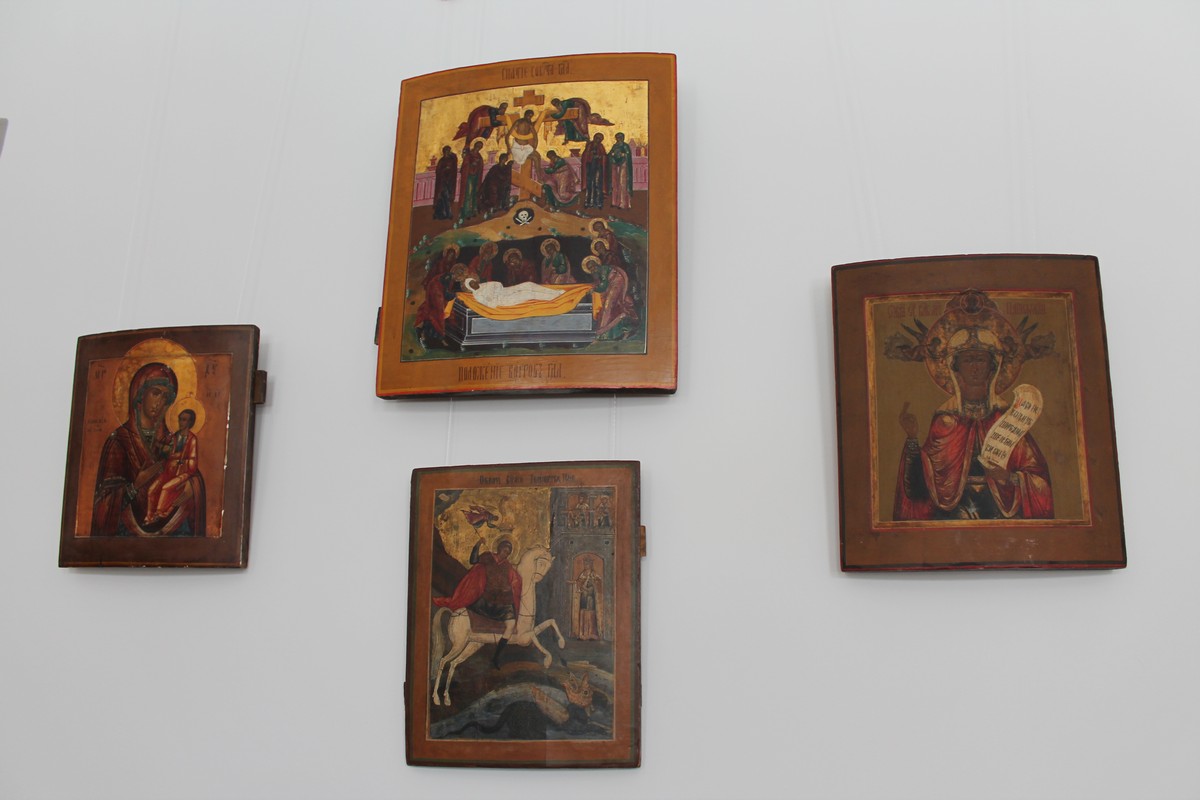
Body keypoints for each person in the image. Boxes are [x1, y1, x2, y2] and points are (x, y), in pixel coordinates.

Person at [893, 290, 1053, 520]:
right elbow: (918, 489)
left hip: (1000, 515)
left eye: (981, 359)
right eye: (968, 360)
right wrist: (911, 439)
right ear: (956, 367)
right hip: (952, 518)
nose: (975, 367)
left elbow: (1039, 479)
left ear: (992, 367)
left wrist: (1009, 478)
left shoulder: (1007, 419)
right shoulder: (946, 421)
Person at [92, 362, 204, 537]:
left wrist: (192, 487)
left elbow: (189, 469)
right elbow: (103, 506)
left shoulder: (171, 439)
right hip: (127, 537)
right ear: (140, 394)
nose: (160, 402)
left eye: (165, 397)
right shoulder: (119, 441)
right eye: (155, 393)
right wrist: (135, 485)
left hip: (173, 532)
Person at [433, 538, 522, 668]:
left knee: (511, 625)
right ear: (499, 548)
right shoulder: (488, 557)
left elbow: (514, 580)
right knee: (467, 609)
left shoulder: (507, 566)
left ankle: (496, 657)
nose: (506, 554)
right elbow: (473, 561)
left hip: (504, 603)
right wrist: (478, 544)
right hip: (487, 600)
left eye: (508, 552)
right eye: (505, 550)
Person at [144, 408, 204, 528]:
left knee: (166, 488)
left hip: (183, 473)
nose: (181, 422)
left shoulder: (192, 439)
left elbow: (193, 463)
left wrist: (180, 460)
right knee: (152, 489)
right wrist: (161, 448)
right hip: (168, 471)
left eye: (184, 420)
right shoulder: (173, 437)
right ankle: (149, 517)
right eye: (180, 419)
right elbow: (164, 453)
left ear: (190, 422)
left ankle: (159, 515)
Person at [415, 243, 460, 346]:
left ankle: (438, 336)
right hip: (435, 290)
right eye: (449, 255)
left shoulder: (453, 267)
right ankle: (435, 336)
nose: (450, 257)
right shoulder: (440, 265)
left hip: (441, 291)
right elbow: (435, 279)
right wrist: (450, 294)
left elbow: (448, 285)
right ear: (446, 255)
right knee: (437, 312)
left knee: (443, 313)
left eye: (453, 256)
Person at [583, 255, 638, 339]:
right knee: (609, 304)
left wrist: (594, 289)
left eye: (593, 266)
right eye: (590, 268)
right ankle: (607, 329)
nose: (592, 269)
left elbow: (604, 285)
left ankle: (602, 331)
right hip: (612, 284)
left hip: (617, 281)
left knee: (608, 304)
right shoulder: (598, 272)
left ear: (596, 264)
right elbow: (601, 283)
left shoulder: (603, 269)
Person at [575, 558, 602, 641]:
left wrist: (593, 583)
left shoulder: (594, 573)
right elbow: (579, 581)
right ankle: (582, 634)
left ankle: (591, 634)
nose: (586, 565)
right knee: (583, 612)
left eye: (587, 564)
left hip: (590, 596)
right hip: (583, 596)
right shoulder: (583, 573)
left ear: (591, 565)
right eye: (585, 563)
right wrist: (579, 583)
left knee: (591, 613)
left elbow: (599, 581)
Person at [458, 140, 485, 220]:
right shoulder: (469, 154)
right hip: (469, 176)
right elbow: (465, 165)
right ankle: (466, 212)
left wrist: (477, 165)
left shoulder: (479, 156)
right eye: (478, 145)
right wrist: (471, 164)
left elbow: (480, 166)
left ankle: (473, 210)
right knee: (468, 194)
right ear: (475, 145)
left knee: (474, 193)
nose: (479, 147)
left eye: (480, 146)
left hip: (476, 176)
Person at [581, 133, 607, 209]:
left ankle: (598, 202)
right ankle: (588, 202)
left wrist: (600, 157)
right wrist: (590, 155)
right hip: (590, 167)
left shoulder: (600, 146)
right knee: (589, 184)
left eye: (599, 139)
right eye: (597, 138)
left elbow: (604, 155)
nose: (598, 140)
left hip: (598, 167)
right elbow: (585, 155)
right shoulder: (589, 145)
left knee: (597, 184)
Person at [607, 132, 633, 209]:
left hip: (623, 165)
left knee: (623, 183)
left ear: (623, 138)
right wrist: (612, 155)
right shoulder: (615, 146)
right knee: (615, 183)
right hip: (615, 165)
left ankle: (623, 203)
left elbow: (627, 154)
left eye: (620, 137)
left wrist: (623, 155)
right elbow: (610, 153)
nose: (619, 139)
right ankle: (614, 202)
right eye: (617, 137)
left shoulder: (625, 145)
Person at [432, 145, 457, 220]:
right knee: (445, 198)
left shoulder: (451, 160)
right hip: (442, 182)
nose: (447, 152)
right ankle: (448, 214)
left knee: (444, 198)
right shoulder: (442, 161)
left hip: (449, 182)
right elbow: (438, 171)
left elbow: (454, 165)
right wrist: (445, 169)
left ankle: (438, 214)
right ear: (443, 152)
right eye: (446, 151)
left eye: (448, 151)